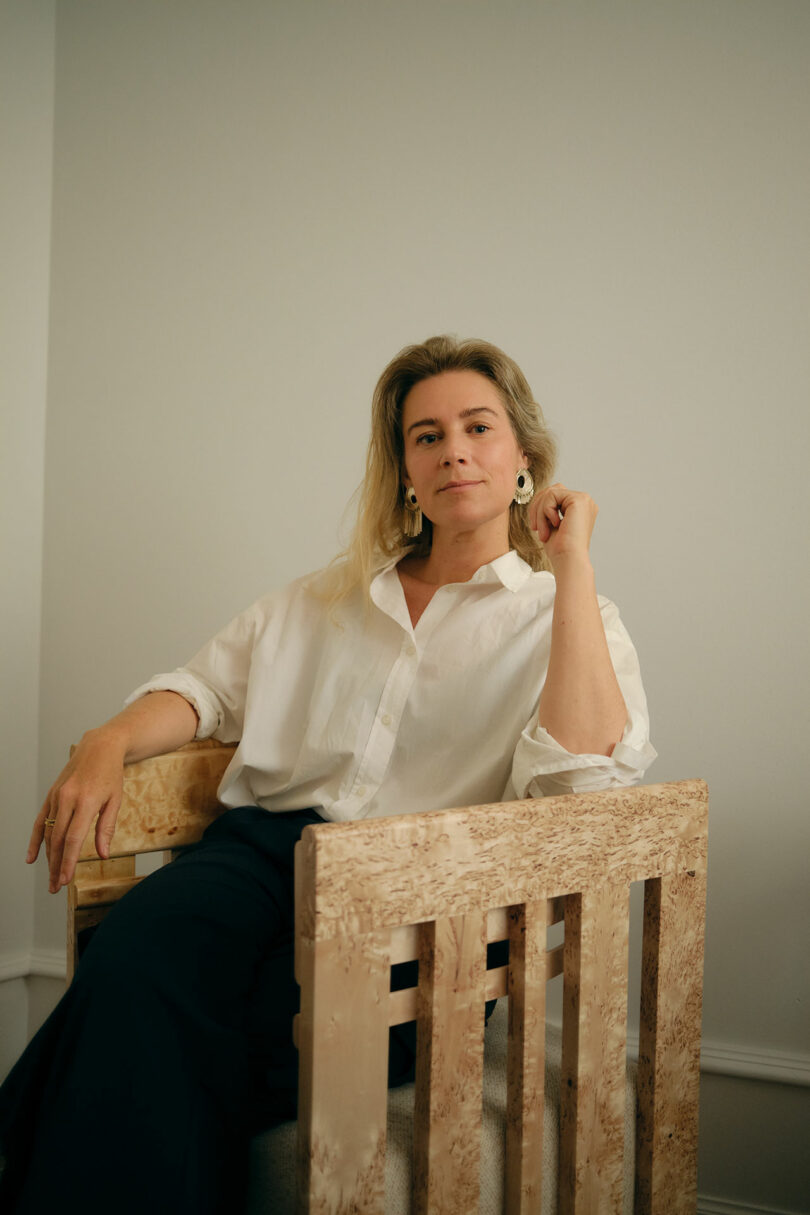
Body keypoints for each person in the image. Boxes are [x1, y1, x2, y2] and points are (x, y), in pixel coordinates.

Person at [0, 335, 655, 1214]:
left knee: (188, 1039)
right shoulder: (322, 598)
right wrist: (107, 736)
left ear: (525, 461)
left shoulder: (572, 616)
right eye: (425, 436)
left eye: (477, 427)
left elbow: (584, 787)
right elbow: (203, 692)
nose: (453, 449)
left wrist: (570, 563)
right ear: (404, 471)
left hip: (422, 912)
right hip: (264, 856)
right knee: (128, 959)